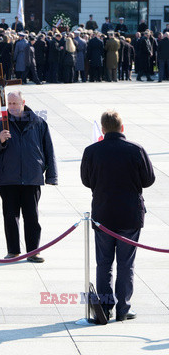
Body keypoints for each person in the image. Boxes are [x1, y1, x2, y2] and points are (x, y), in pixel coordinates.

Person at [81, 110, 155, 321]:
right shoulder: (136, 150)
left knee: (104, 262)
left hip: (103, 213)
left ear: (103, 129)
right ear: (122, 128)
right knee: (126, 263)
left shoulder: (92, 150)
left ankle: (104, 307)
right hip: (130, 215)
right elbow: (149, 180)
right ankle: (123, 308)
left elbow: (86, 180)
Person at [0, 91, 58, 262]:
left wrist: (51, 176)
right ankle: (13, 251)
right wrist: (0, 141)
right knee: (10, 217)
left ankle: (33, 251)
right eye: (9, 104)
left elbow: (49, 149)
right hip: (8, 178)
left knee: (32, 216)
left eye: (15, 103)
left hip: (31, 178)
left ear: (23, 102)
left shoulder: (38, 123)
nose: (12, 107)